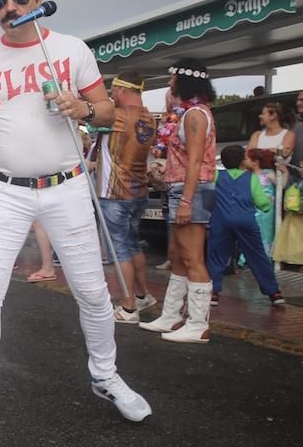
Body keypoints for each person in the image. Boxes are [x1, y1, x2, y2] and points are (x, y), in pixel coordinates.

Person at [0, 0, 151, 436]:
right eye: (0, 0)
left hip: (66, 188)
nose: (10, 7)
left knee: (91, 292)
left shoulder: (70, 50)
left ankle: (106, 376)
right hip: (6, 191)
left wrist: (83, 106)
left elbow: (107, 112)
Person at [139, 59, 218, 343]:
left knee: (193, 257)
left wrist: (185, 201)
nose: (169, 84)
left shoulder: (196, 114)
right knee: (177, 254)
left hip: (191, 191)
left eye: (172, 79)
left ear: (184, 81)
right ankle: (172, 316)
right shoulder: (189, 114)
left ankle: (198, 324)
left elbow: (196, 161)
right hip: (181, 188)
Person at [95, 71, 159, 323]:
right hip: (138, 190)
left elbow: (88, 116)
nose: (111, 95)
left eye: (112, 90)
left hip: (114, 193)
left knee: (118, 249)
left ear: (121, 90)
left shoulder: (117, 116)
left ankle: (129, 307)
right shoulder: (149, 118)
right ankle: (143, 295)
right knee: (132, 244)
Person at [205, 145, 284, 307]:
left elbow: (208, 195)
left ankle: (213, 292)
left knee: (217, 256)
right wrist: (266, 206)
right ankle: (274, 292)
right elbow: (262, 202)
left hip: (221, 221)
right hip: (246, 221)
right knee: (258, 256)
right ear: (243, 161)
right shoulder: (251, 178)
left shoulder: (217, 175)